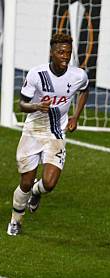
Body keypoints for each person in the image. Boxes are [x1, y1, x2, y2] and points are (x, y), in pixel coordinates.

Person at [7, 33, 89, 236]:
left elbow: (85, 90)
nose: (65, 56)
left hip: (56, 132)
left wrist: (75, 117)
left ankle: (37, 192)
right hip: (33, 132)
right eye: (61, 52)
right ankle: (15, 221)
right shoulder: (36, 74)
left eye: (68, 53)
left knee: (50, 183)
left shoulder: (78, 75)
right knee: (25, 182)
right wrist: (36, 106)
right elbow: (22, 104)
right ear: (51, 53)